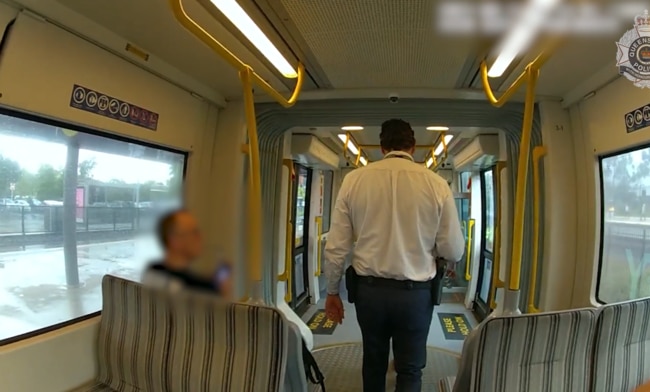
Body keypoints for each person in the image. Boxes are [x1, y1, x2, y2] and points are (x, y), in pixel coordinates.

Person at [324, 119, 465, 391]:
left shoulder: (354, 180)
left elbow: (337, 245)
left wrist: (332, 291)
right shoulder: (436, 184)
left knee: (373, 362)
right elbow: (453, 249)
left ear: (381, 147)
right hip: (415, 296)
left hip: (369, 293)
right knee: (410, 369)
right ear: (412, 147)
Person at [142, 209, 232, 297]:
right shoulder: (200, 291)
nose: (200, 237)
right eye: (194, 232)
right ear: (174, 240)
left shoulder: (152, 271)